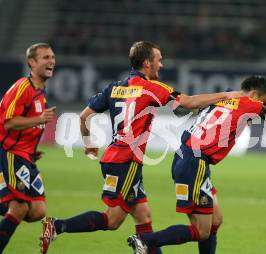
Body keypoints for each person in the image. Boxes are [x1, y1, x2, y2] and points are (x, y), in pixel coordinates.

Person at [39, 41, 241, 254]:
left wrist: (89, 145)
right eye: (158, 60)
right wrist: (224, 95)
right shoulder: (151, 88)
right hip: (125, 162)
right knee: (112, 219)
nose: (161, 65)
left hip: (117, 157)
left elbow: (84, 117)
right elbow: (188, 102)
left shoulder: (114, 87)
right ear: (147, 63)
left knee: (143, 217)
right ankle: (57, 226)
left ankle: (142, 245)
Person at [127, 75, 266, 254]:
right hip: (194, 163)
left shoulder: (224, 96)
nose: (262, 106)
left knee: (216, 219)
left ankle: (147, 242)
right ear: (253, 95)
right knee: (202, 231)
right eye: (263, 100)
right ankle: (145, 241)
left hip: (188, 158)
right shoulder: (248, 104)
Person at [0, 43, 56, 253]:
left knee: (37, 211)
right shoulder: (23, 88)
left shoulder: (40, 92)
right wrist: (39, 119)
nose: (51, 61)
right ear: (31, 62)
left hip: (26, 156)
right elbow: (8, 122)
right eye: (45, 57)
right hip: (11, 153)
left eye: (52, 57)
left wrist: (31, 150)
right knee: (20, 207)